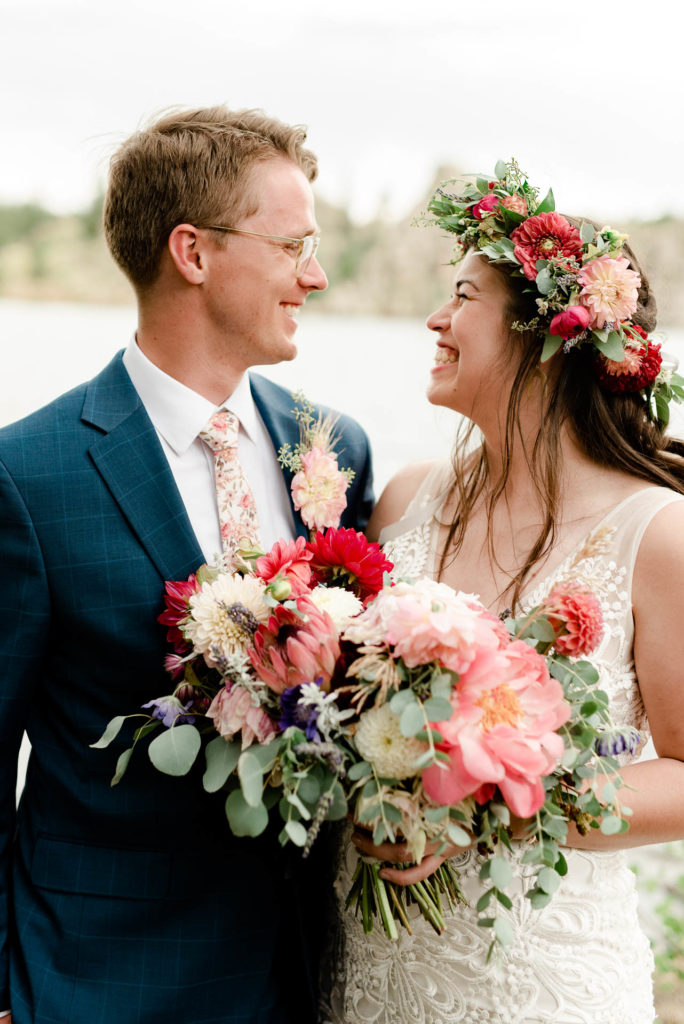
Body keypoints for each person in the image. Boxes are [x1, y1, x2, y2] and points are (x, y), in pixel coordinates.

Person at [0, 106, 373, 1024]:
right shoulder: (27, 474)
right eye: (294, 246)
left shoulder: (331, 448)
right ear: (193, 253)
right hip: (93, 978)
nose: (316, 277)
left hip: (296, 969)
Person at [320, 165, 684, 1024]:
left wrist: (491, 809)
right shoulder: (407, 498)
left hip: (538, 984)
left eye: (461, 296)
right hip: (369, 975)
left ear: (544, 338)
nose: (435, 319)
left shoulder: (654, 534)